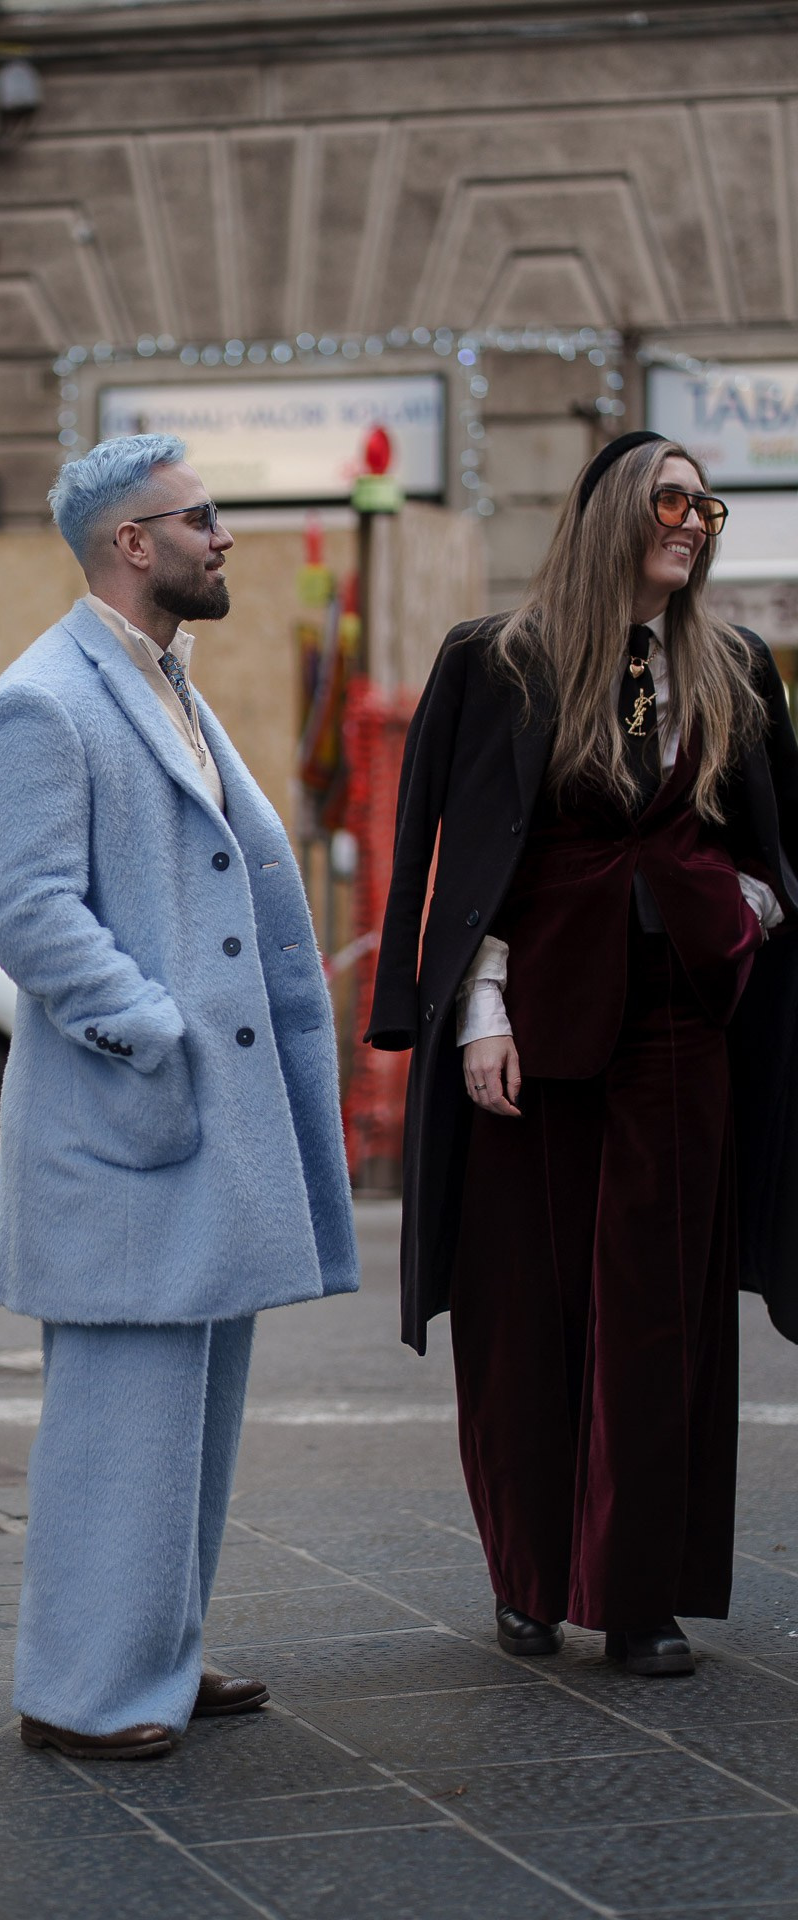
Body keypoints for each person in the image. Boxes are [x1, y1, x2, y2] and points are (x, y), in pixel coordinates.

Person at [369, 430, 798, 1677]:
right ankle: (529, 1576)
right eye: (671, 498)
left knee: (657, 1314)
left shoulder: (730, 665)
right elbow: (451, 855)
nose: (692, 521)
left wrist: (742, 912)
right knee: (521, 1314)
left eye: (705, 507)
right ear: (611, 508)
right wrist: (473, 1010)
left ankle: (637, 1592)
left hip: (680, 1025)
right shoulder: (494, 660)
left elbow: (775, 850)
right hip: (531, 1023)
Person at [0, 434, 358, 1759]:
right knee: (115, 1429)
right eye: (202, 517)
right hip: (128, 1124)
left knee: (187, 1421)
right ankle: (81, 1695)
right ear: (134, 544)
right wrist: (149, 1027)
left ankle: (154, 1660)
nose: (225, 534)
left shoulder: (164, 681)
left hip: (199, 1136)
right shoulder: (43, 699)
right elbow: (24, 911)